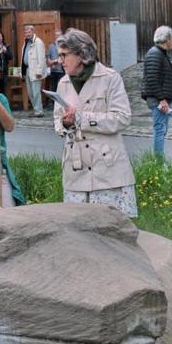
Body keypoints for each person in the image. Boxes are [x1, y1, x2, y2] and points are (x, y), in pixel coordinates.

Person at [52, 28, 137, 218]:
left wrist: (82, 118)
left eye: (65, 55)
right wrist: (65, 124)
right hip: (76, 169)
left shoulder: (110, 78)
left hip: (108, 168)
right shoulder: (63, 83)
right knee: (78, 232)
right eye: (59, 55)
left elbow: (122, 118)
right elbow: (57, 121)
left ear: (82, 54)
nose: (60, 61)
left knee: (111, 230)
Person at [141, 26, 172, 157]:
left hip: (161, 99)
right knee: (160, 130)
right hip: (159, 100)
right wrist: (162, 99)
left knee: (162, 129)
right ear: (167, 39)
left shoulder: (159, 53)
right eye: (171, 38)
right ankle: (158, 163)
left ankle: (158, 160)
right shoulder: (155, 53)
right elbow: (152, 78)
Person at [21, 25, 47, 117]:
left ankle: (39, 111)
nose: (27, 34)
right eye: (26, 32)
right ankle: (36, 110)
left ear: (33, 31)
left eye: (29, 32)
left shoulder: (38, 42)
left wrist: (39, 72)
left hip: (35, 71)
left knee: (36, 92)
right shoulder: (26, 42)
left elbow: (42, 58)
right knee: (30, 92)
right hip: (27, 69)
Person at [46, 27, 64, 92]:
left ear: (62, 36)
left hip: (62, 72)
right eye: (56, 35)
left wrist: (53, 62)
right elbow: (48, 60)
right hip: (53, 72)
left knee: (61, 90)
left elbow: (62, 59)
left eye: (59, 35)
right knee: (53, 89)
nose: (57, 37)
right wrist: (54, 62)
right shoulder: (51, 46)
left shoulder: (64, 46)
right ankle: (52, 102)